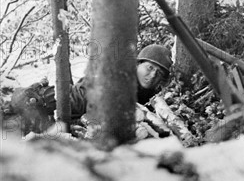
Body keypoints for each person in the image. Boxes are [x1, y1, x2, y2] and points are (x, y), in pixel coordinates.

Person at [10, 44, 172, 133]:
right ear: (138, 64)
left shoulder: (152, 96)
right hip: (47, 107)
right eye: (149, 68)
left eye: (159, 73)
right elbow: (79, 96)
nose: (152, 76)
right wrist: (43, 102)